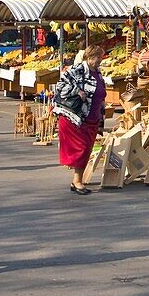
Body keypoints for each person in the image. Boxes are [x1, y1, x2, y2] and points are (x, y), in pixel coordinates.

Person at [52, 44, 106, 196]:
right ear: (89, 57)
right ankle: (77, 181)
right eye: (97, 57)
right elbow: (60, 87)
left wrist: (101, 122)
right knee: (80, 149)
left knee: (86, 150)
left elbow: (101, 97)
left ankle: (77, 181)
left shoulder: (98, 73)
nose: (100, 60)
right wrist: (77, 91)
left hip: (92, 119)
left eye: (100, 57)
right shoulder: (77, 70)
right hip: (75, 118)